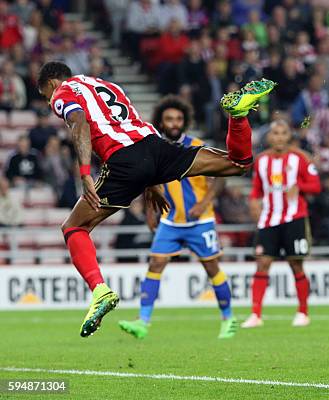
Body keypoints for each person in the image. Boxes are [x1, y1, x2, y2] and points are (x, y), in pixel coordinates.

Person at [37, 61, 275, 337]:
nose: (49, 101)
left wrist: (84, 172)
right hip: (155, 147)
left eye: (46, 95)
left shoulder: (63, 93)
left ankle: (99, 291)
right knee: (237, 164)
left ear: (53, 83)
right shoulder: (105, 84)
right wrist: (151, 181)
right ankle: (237, 115)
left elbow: (79, 122)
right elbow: (133, 129)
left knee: (73, 227)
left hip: (123, 160)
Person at [118, 95, 238, 339]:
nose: (174, 123)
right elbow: (148, 181)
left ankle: (229, 319)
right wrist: (151, 211)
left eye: (178, 119)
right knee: (155, 264)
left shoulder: (197, 145)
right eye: (169, 119)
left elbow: (222, 175)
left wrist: (205, 202)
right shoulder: (155, 148)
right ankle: (143, 321)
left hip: (200, 220)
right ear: (161, 123)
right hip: (171, 221)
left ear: (185, 122)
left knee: (211, 266)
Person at [242, 120, 321, 328]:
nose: (278, 137)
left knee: (296, 264)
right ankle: (255, 314)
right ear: (269, 137)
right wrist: (253, 203)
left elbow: (316, 186)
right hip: (269, 219)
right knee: (262, 263)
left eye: (283, 133)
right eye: (275, 133)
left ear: (288, 136)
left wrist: (299, 186)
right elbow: (257, 190)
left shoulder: (300, 158)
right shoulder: (260, 161)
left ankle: (303, 312)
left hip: (294, 218)